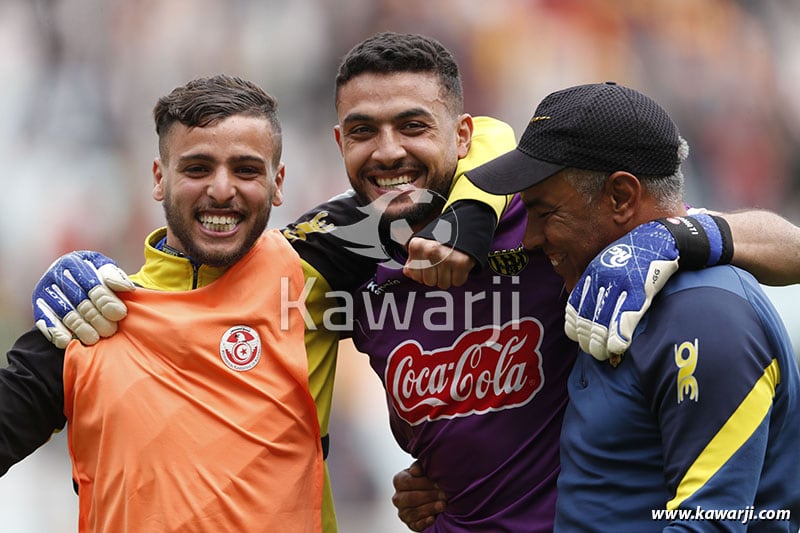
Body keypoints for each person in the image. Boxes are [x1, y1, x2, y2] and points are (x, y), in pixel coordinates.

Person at [29, 34, 800, 531]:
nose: (388, 150)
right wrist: (95, 276)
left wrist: (680, 234)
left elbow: (787, 246)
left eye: (413, 125)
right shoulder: (336, 259)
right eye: (363, 131)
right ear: (337, 143)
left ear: (463, 136)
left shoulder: (546, 221)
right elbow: (207, 282)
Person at [0, 74, 332, 531]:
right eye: (197, 168)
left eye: (246, 169)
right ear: (159, 178)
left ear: (278, 182)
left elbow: (438, 159)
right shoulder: (88, 320)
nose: (221, 189)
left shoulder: (314, 275)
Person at [467, 81, 800, 530]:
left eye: (545, 214)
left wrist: (676, 234)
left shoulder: (704, 315)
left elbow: (710, 524)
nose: (529, 239)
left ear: (621, 197)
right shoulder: (600, 280)